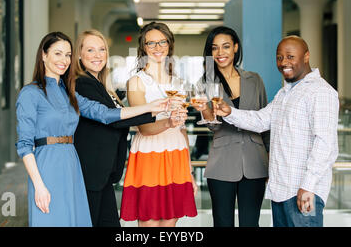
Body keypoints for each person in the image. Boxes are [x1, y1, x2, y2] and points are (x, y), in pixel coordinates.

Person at [15, 32, 168, 227]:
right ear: (44, 55)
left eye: (68, 55)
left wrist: (150, 107)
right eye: (58, 54)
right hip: (48, 164)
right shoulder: (30, 93)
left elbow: (104, 113)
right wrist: (38, 185)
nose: (64, 60)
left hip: (72, 163)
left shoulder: (68, 92)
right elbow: (25, 145)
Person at [214, 35, 339, 227]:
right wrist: (229, 112)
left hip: (304, 192)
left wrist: (308, 186)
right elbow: (261, 120)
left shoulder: (320, 92)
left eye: (290, 57)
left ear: (306, 56)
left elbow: (325, 145)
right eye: (279, 57)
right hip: (281, 191)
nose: (283, 63)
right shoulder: (285, 93)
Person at [72, 29, 186, 227]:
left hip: (103, 172)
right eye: (90, 50)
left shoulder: (100, 84)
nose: (98, 55)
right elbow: (112, 119)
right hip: (92, 170)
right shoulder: (83, 83)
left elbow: (117, 118)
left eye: (102, 49)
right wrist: (153, 110)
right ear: (79, 55)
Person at [120, 22, 198, 227]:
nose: (157, 47)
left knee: (170, 224)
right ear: (143, 47)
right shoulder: (136, 82)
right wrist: (169, 121)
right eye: (151, 43)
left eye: (162, 42)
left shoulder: (177, 82)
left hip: (176, 153)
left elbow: (181, 129)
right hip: (149, 153)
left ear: (169, 45)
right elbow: (144, 128)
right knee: (150, 223)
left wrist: (189, 170)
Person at [191, 26, 269, 227]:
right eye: (215, 48)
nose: (220, 53)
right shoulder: (204, 83)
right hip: (222, 163)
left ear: (235, 48)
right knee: (222, 223)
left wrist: (271, 161)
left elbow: (264, 122)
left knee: (250, 224)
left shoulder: (254, 80)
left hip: (255, 162)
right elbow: (214, 127)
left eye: (226, 47)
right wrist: (205, 110)